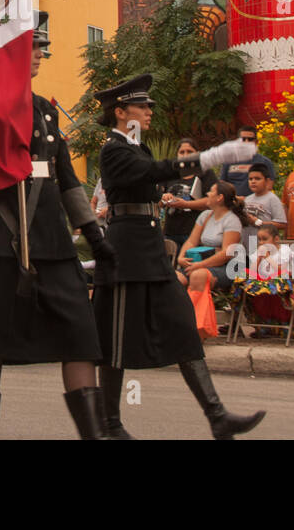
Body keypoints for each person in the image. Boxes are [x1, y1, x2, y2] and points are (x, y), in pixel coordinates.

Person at [0, 13, 114, 439]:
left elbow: (67, 179)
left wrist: (93, 232)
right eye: (33, 47)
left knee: (81, 336)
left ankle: (96, 434)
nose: (41, 55)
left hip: (50, 237)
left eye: (42, 47)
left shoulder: (46, 110)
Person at [92, 73, 266, 440]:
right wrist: (209, 157)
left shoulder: (137, 147)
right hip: (126, 253)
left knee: (183, 325)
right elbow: (151, 173)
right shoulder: (114, 148)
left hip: (149, 248)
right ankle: (109, 425)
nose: (149, 111)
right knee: (117, 339)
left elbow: (151, 181)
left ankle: (217, 416)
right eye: (143, 106)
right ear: (121, 112)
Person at [176, 181, 248, 295]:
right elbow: (191, 241)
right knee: (175, 279)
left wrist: (200, 265)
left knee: (197, 276)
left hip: (227, 267)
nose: (207, 194)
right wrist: (180, 258)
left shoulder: (232, 220)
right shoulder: (205, 215)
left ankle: (199, 312)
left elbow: (226, 254)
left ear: (220, 197)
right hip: (201, 263)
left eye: (211, 191)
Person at [159, 138, 218, 257]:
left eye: (189, 152)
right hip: (171, 231)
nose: (185, 155)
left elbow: (212, 201)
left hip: (195, 231)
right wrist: (164, 198)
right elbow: (157, 200)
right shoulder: (169, 174)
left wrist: (186, 204)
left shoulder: (205, 173)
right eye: (182, 152)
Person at [219, 125, 276, 199]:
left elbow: (268, 187)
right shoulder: (228, 161)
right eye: (243, 139)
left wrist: (249, 200)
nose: (246, 142)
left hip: (256, 205)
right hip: (232, 203)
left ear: (256, 142)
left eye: (250, 139)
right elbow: (222, 185)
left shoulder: (265, 162)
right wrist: (235, 199)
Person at [243, 164, 286, 232]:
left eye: (257, 179)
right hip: (248, 239)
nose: (253, 181)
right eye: (250, 179)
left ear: (267, 181)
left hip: (264, 240)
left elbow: (282, 224)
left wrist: (258, 222)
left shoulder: (272, 199)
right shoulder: (247, 199)